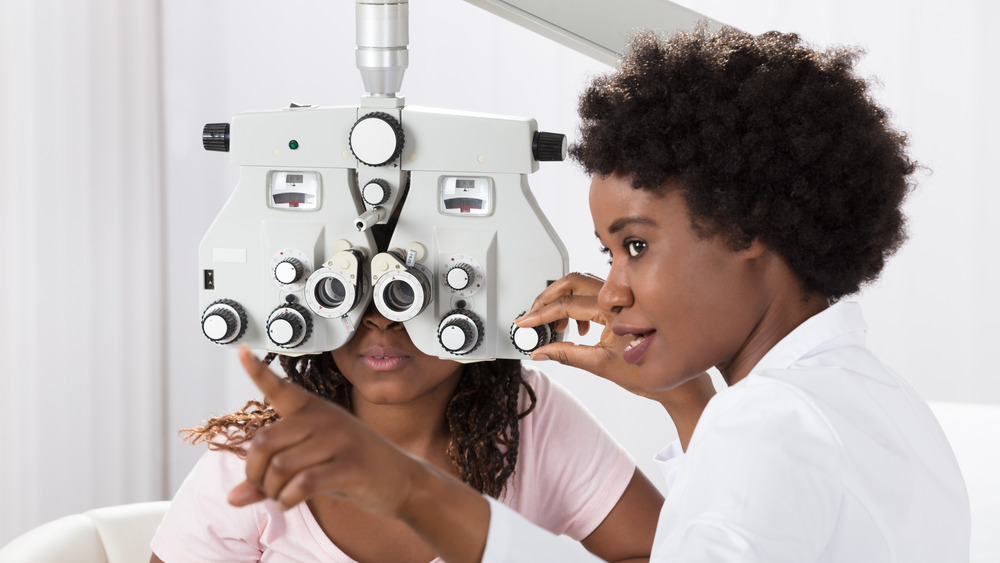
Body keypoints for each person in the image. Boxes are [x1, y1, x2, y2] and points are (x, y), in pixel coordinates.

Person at [212, 24, 972, 563]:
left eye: (636, 247)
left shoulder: (769, 423)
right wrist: (681, 396)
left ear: (747, 228)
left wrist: (411, 491)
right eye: (608, 254)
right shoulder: (869, 399)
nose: (607, 294)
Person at [149, 304, 664, 562]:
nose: (380, 320)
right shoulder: (259, 456)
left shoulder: (528, 415)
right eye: (351, 290)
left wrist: (679, 393)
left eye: (411, 290)